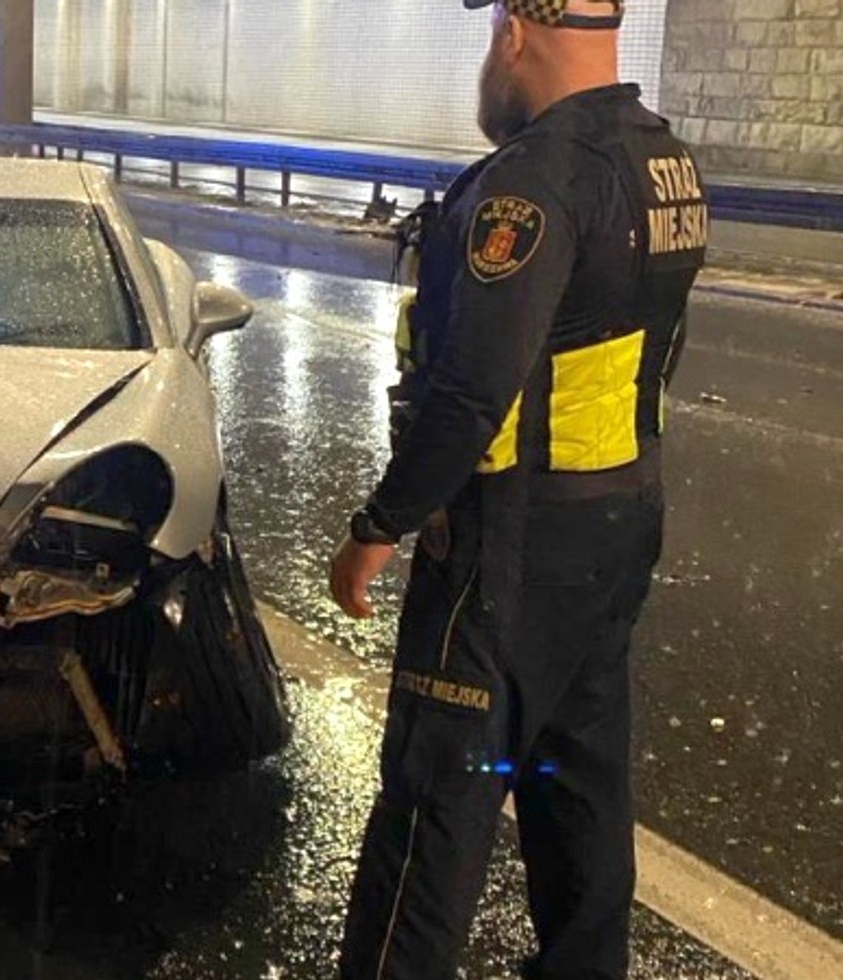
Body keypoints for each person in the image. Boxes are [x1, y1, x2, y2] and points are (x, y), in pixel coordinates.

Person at [328, 2, 707, 978]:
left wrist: (379, 526)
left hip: (508, 548)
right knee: (578, 792)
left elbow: (471, 387)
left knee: (432, 811)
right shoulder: (664, 161)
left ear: (514, 33)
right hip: (616, 524)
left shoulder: (533, 181)